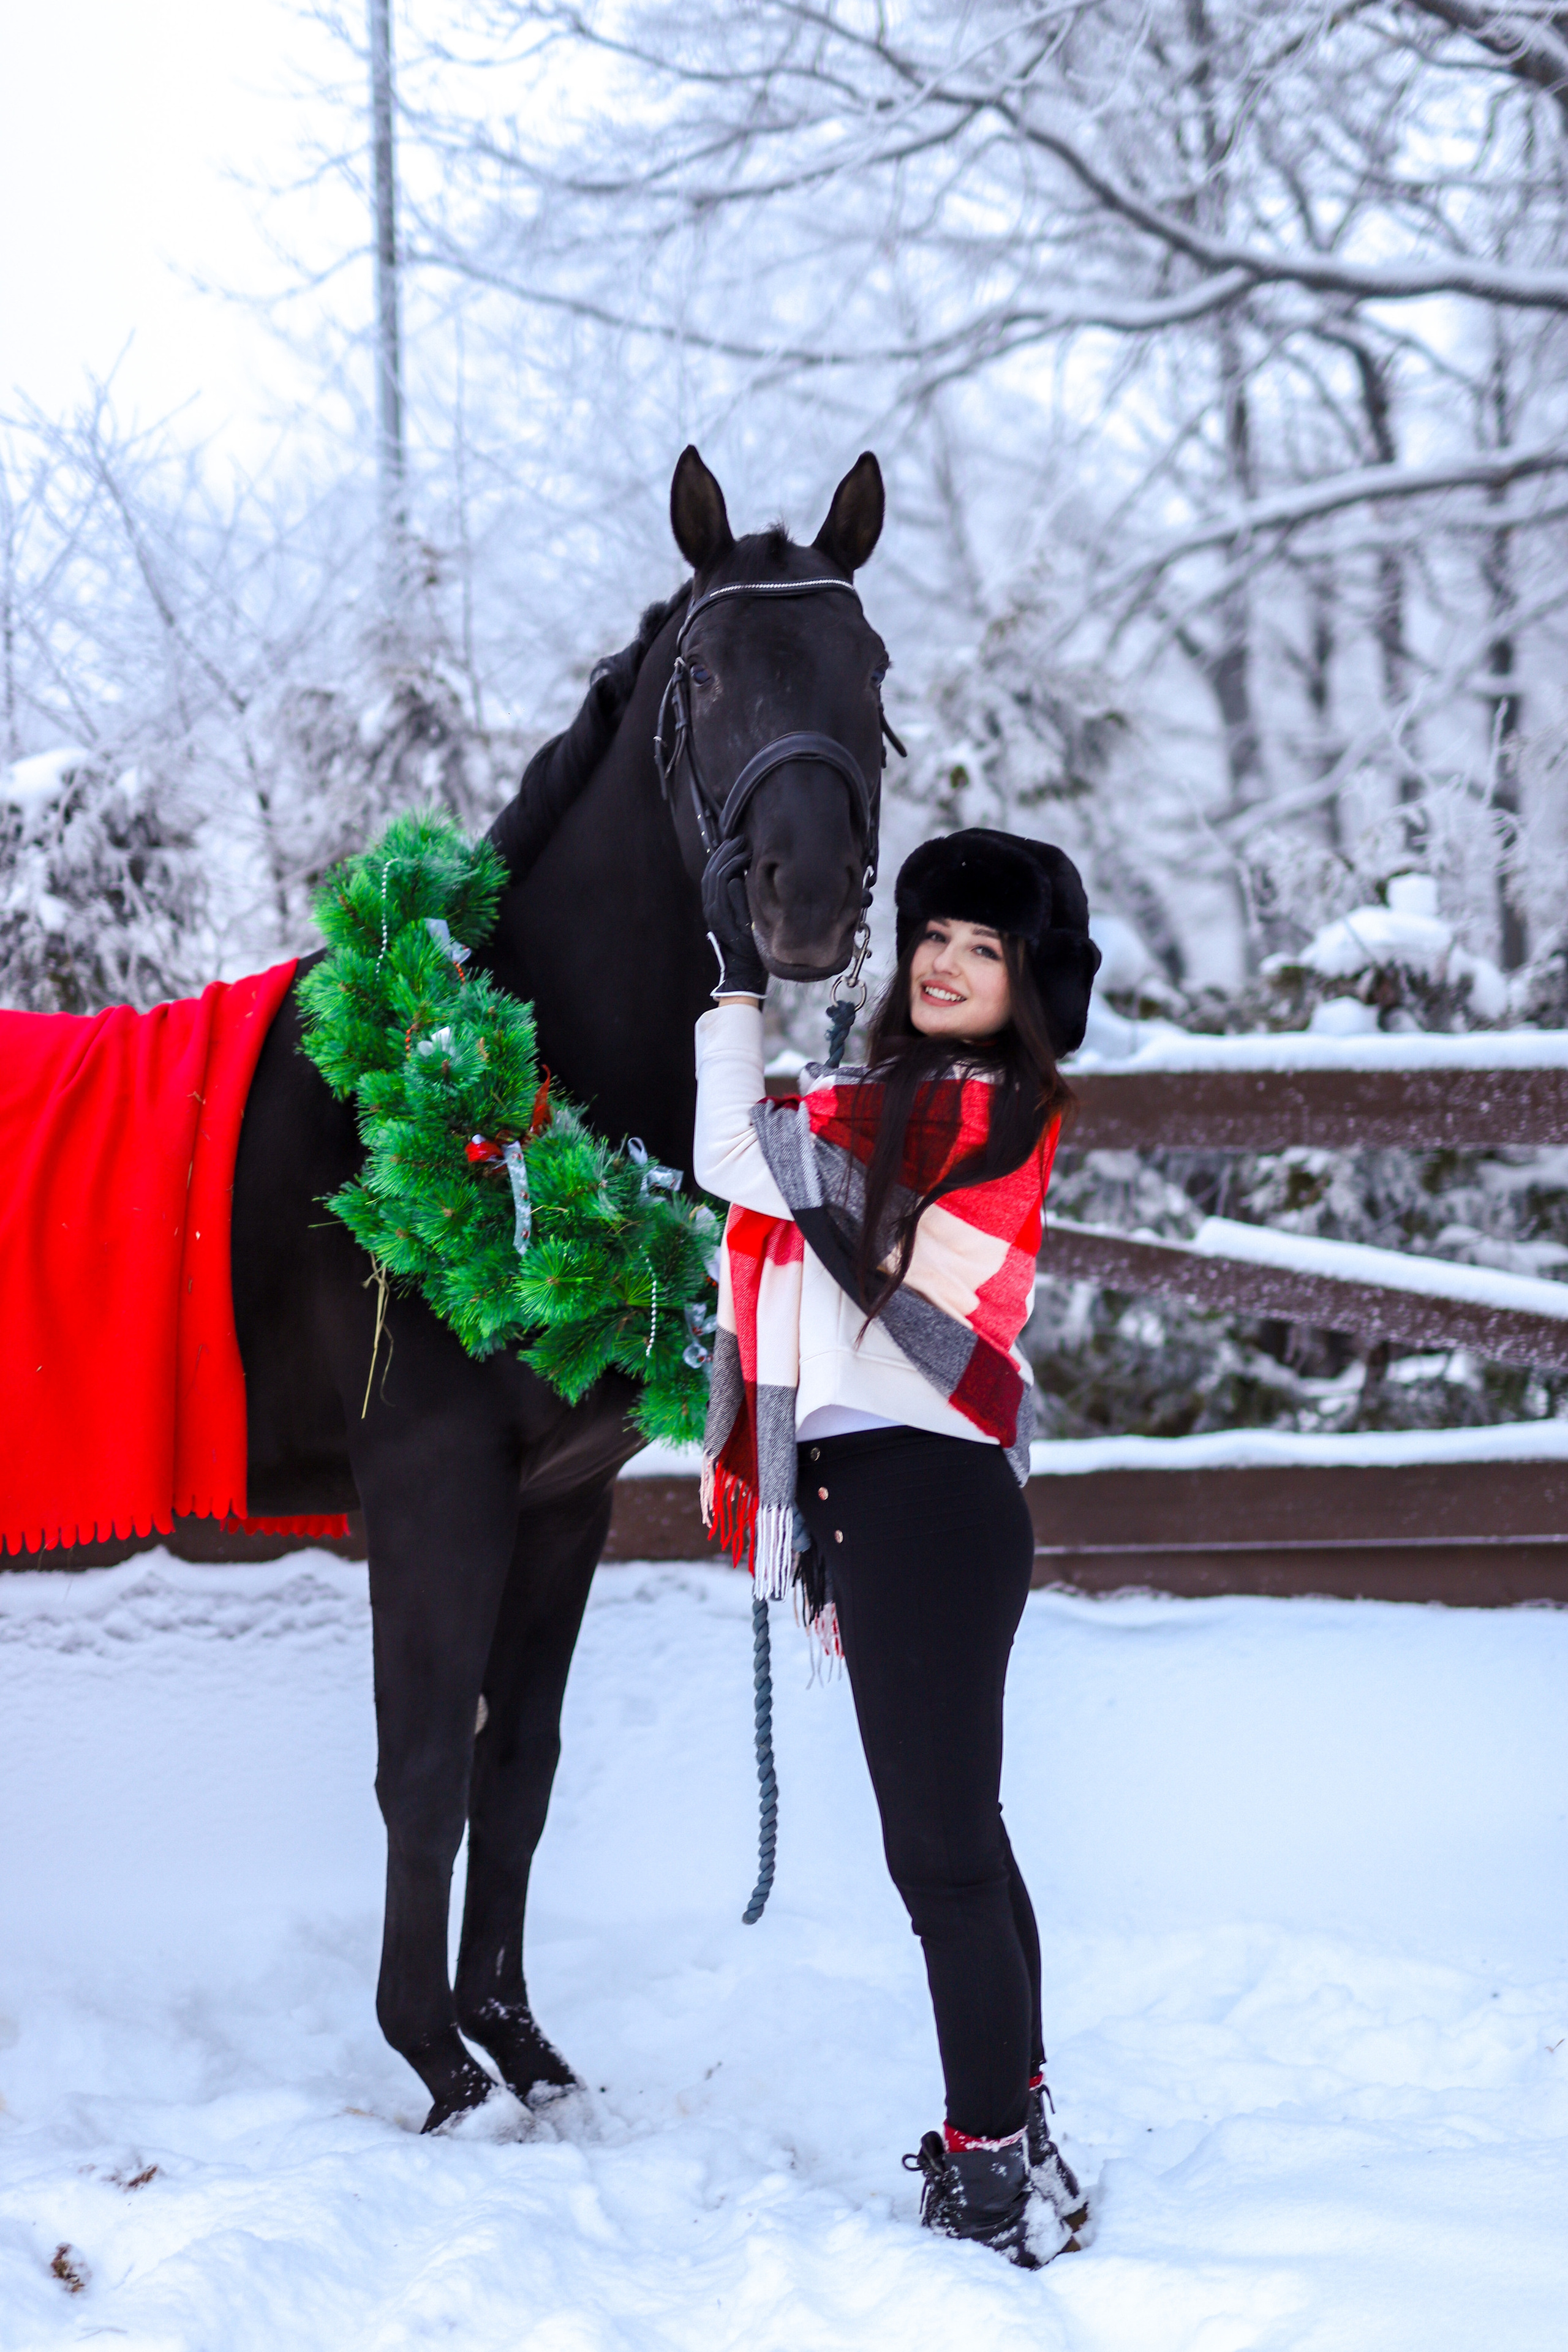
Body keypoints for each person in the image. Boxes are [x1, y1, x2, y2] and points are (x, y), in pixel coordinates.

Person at [693, 825, 1102, 2268]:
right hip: (906, 1502)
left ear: (1027, 987)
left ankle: (988, 2165)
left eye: (984, 948)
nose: (943, 960)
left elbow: (729, 1150)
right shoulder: (883, 1105)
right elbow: (778, 1189)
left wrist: (730, 990)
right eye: (933, 932)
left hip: (924, 1504)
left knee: (936, 1856)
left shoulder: (962, 1110)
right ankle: (1018, 2123)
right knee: (961, 1844)